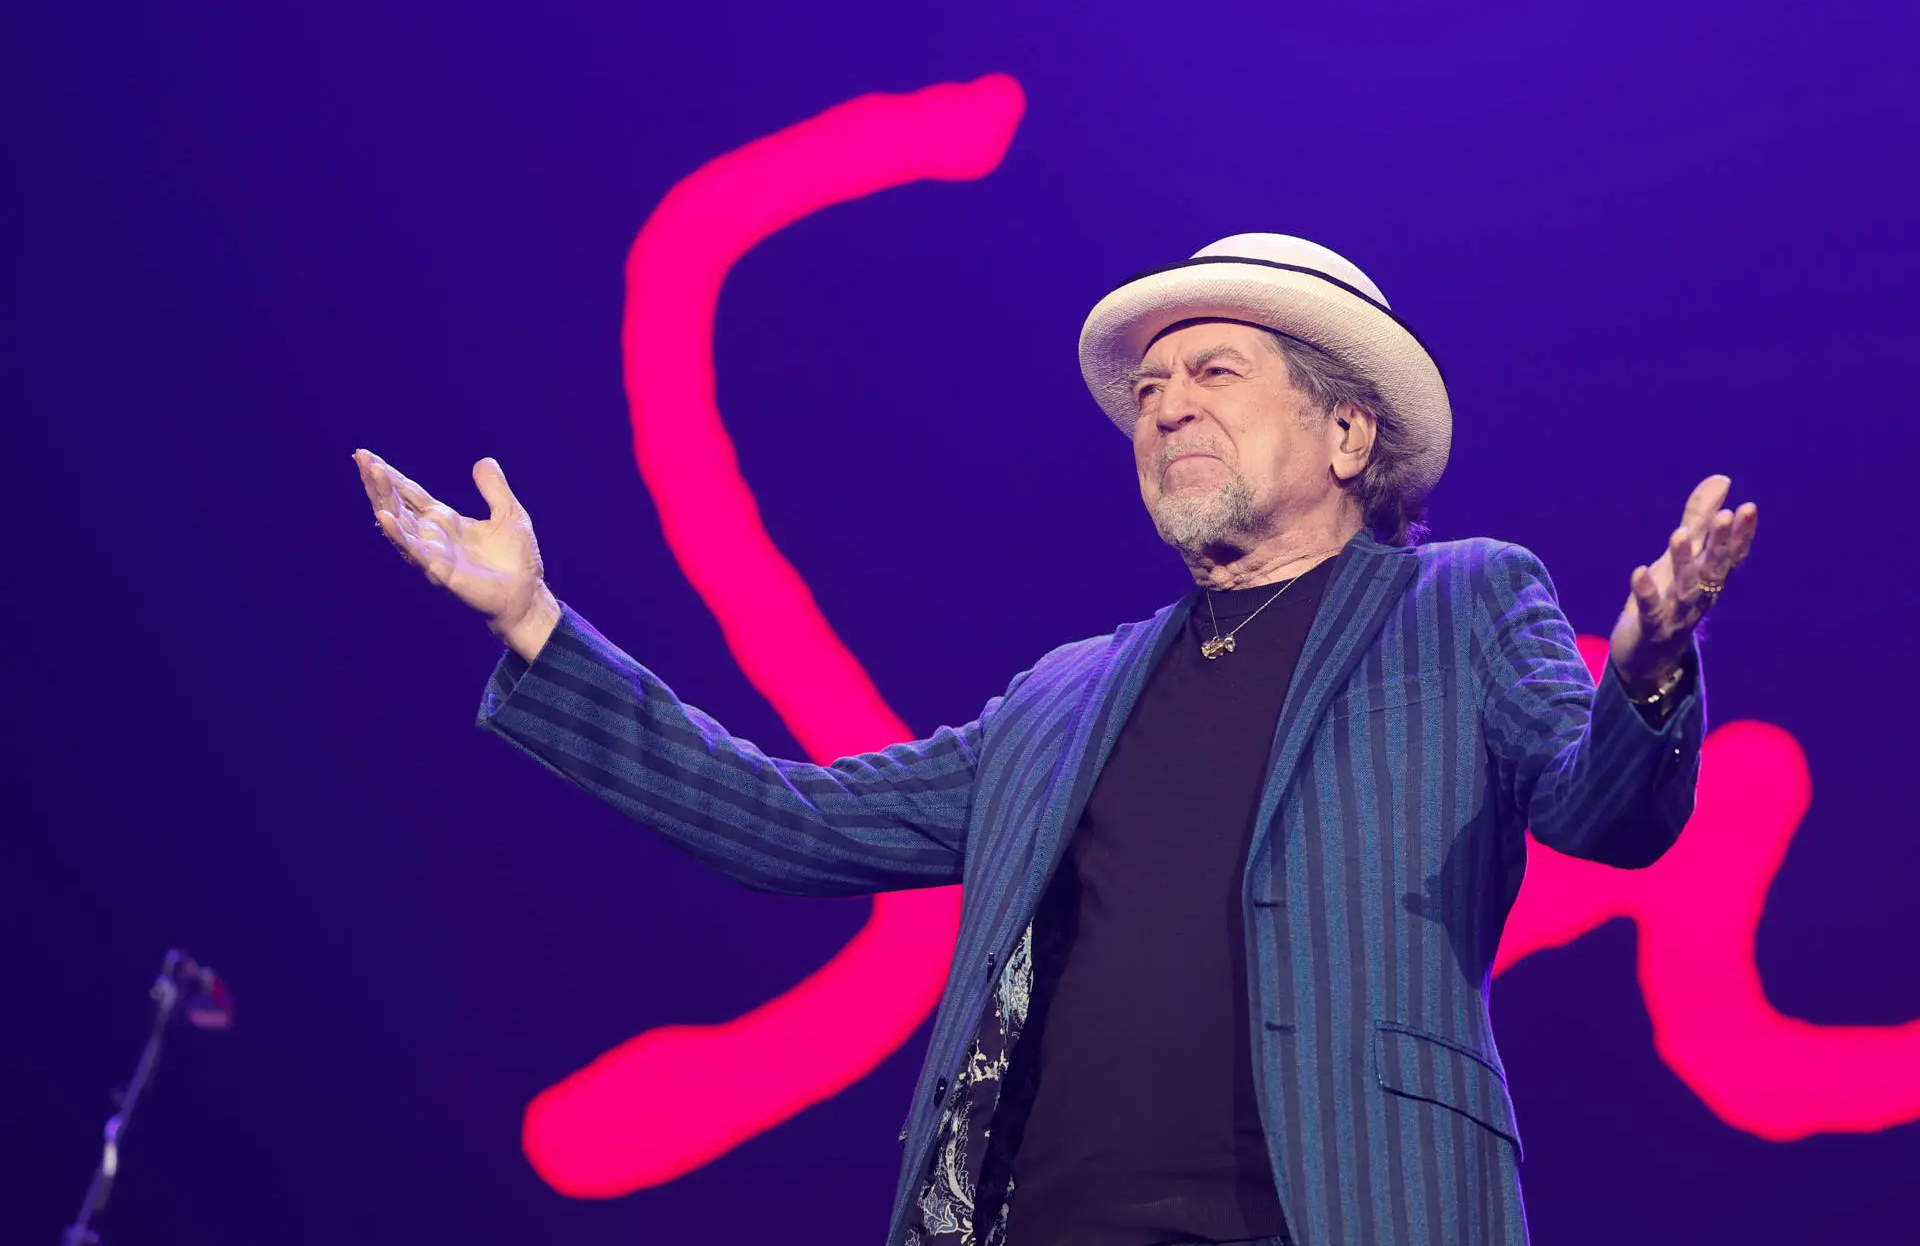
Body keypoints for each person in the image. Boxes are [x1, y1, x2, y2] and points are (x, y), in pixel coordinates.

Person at [353, 233, 1758, 1246]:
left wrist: (1648, 665)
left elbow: (1602, 812)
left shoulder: (1461, 602)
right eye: (1150, 391)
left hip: (1345, 1204)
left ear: (1346, 432)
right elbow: (788, 821)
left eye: (1214, 371)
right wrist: (537, 625)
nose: (1167, 405)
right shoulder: (1062, 696)